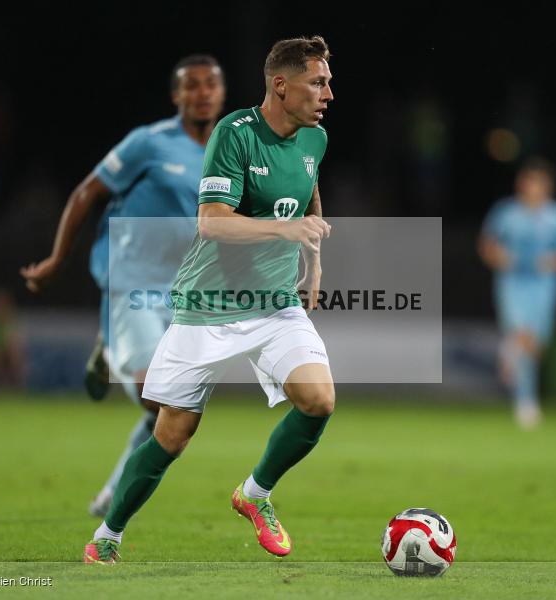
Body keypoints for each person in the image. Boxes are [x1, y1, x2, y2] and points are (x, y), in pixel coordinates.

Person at [83, 35, 335, 564]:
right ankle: (108, 535)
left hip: (272, 304)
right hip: (207, 307)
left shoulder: (315, 139)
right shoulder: (234, 133)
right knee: (172, 433)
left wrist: (313, 262)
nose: (327, 93)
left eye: (328, 82)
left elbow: (309, 193)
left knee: (319, 400)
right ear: (281, 85)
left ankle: (255, 494)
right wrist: (285, 231)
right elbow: (213, 222)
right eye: (318, 82)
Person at [20, 55, 226, 516]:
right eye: (191, 86)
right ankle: (110, 349)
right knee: (161, 397)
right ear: (176, 96)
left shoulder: (230, 153)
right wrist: (56, 259)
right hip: (132, 282)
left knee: (173, 412)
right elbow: (85, 193)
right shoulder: (148, 143)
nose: (202, 93)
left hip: (186, 293)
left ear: (222, 91)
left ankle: (114, 493)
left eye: (210, 84)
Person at [478, 157, 556, 429]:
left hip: (545, 286)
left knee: (535, 345)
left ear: (547, 186)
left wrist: (554, 261)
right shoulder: (506, 213)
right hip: (512, 283)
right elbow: (487, 246)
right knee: (522, 333)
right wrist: (500, 257)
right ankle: (525, 402)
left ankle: (512, 357)